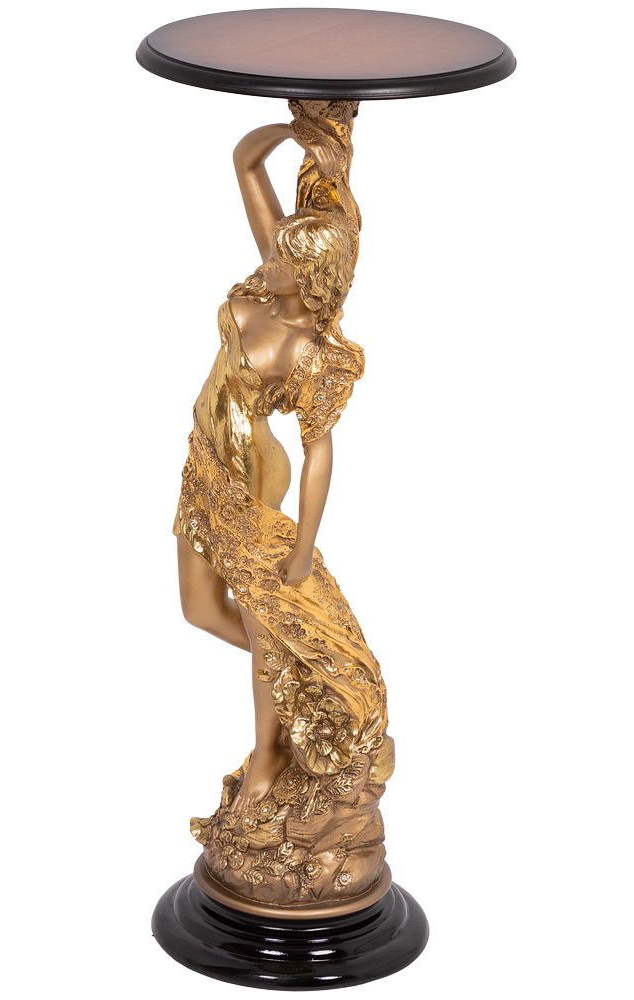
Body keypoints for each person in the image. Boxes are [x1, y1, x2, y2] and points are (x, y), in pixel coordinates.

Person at [172, 107, 394, 907]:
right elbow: (244, 163)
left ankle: (272, 751)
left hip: (249, 482)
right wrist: (294, 129)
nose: (267, 260)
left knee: (269, 621)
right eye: (272, 251)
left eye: (284, 259)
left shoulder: (311, 352)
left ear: (310, 277)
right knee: (199, 610)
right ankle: (297, 672)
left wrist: (303, 550)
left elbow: (319, 452)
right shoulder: (272, 277)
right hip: (202, 460)